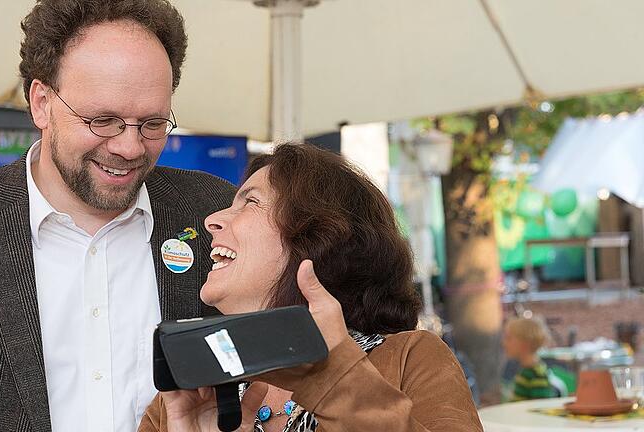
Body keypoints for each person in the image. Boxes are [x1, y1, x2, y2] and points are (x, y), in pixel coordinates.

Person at [0, 1, 235, 431]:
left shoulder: (214, 211)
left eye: (153, 123)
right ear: (41, 103)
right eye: (103, 120)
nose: (130, 147)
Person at [139, 143, 483, 432]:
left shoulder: (410, 359)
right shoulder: (187, 394)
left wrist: (337, 382)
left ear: (319, 239)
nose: (211, 220)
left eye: (251, 201)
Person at [502, 317, 561, 401]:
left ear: (524, 343)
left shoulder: (537, 375)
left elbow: (538, 407)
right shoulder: (526, 371)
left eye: (509, 338)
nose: (504, 343)